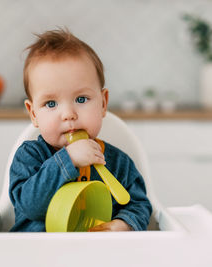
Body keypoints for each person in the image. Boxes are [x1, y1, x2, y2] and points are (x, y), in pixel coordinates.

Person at [9, 28, 152, 232]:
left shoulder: (119, 163)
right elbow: (30, 207)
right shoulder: (30, 157)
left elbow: (140, 205)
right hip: (39, 255)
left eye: (81, 99)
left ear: (103, 103)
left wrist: (124, 225)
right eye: (51, 104)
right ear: (33, 114)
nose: (68, 114)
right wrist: (67, 160)